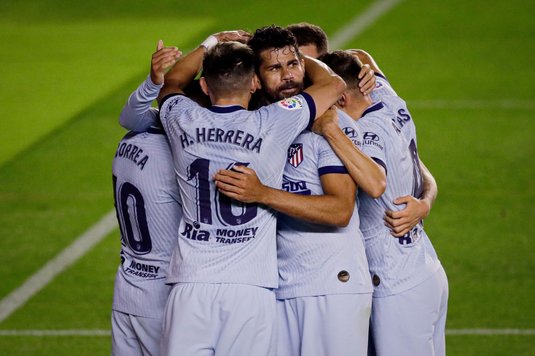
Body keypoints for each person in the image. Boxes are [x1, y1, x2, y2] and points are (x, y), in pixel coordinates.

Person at [153, 27, 346, 354]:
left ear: (203, 84)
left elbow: (171, 82)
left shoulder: (180, 117)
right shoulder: (274, 121)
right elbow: (334, 85)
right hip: (250, 289)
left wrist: (212, 41)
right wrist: (297, 60)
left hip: (190, 285)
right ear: (255, 82)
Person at [318, 50, 448, 356]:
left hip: (396, 282)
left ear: (340, 101)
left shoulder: (364, 132)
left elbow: (375, 182)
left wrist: (331, 129)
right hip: (424, 266)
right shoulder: (387, 98)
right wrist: (364, 63)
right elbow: (361, 55)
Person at [111, 42, 182, 356]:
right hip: (163, 294)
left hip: (127, 286)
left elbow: (130, 114)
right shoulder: (183, 152)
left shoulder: (136, 135)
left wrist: (154, 81)